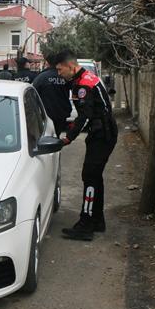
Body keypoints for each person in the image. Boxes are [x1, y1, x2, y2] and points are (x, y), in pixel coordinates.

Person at [56, 50, 118, 241]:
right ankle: (97, 220)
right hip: (102, 131)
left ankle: (86, 224)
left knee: (89, 176)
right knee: (95, 177)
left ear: (70, 66)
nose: (59, 74)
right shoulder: (86, 78)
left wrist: (68, 138)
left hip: (102, 134)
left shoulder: (83, 85)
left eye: (60, 69)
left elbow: (84, 117)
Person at [32, 54, 72, 136]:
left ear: (47, 63)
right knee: (57, 134)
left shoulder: (41, 77)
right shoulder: (65, 76)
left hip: (46, 114)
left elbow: (33, 94)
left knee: (46, 136)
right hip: (61, 113)